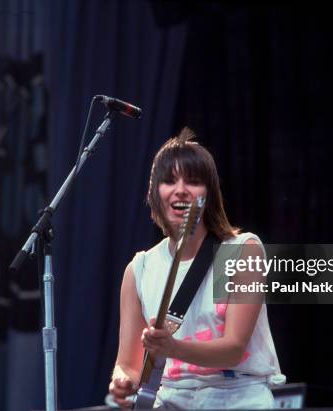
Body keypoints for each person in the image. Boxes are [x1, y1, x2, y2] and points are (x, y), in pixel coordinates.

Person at [109, 128, 283, 409]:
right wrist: (122, 383)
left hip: (237, 397)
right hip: (170, 400)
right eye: (169, 181)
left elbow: (233, 349)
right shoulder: (139, 269)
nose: (180, 190)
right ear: (155, 192)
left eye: (192, 181)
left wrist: (173, 348)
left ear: (209, 194)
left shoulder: (243, 250)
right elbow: (127, 364)